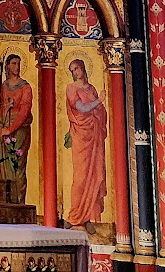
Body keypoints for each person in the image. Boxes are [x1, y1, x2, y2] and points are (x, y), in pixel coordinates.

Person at [65, 57, 107, 226]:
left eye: (77, 68)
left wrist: (100, 108)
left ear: (83, 68)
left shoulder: (92, 89)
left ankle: (88, 218)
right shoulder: (71, 88)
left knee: (94, 175)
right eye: (72, 70)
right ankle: (74, 215)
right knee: (81, 177)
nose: (76, 72)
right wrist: (99, 101)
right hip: (81, 136)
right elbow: (81, 108)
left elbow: (100, 112)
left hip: (94, 135)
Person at [0, 53, 33, 205]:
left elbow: (25, 110)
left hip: (20, 130)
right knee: (3, 163)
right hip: (5, 127)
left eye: (18, 63)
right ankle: (3, 199)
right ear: (7, 66)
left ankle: (18, 202)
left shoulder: (26, 87)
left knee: (18, 166)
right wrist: (2, 124)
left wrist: (9, 129)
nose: (17, 66)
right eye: (14, 63)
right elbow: (2, 108)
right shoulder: (4, 85)